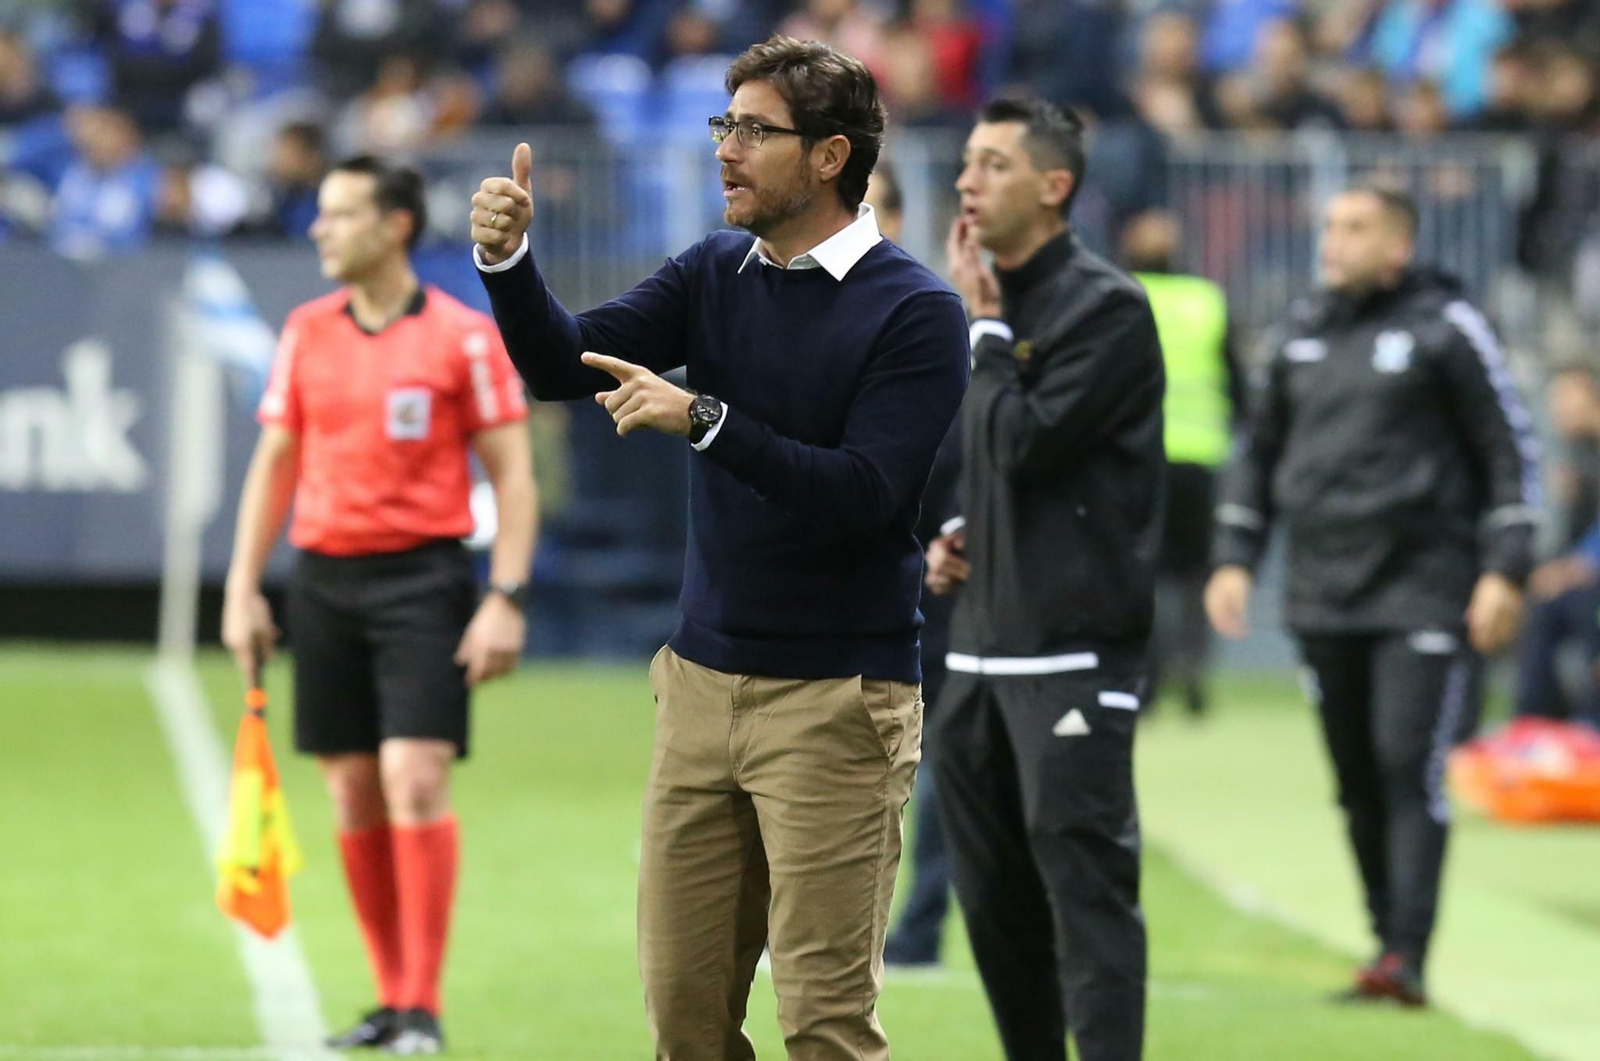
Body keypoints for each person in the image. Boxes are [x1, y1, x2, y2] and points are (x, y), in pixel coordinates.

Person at [470, 36, 968, 1061]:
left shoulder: (917, 310)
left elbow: (867, 495)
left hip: (838, 703)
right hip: (698, 689)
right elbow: (564, 366)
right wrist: (510, 264)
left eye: (753, 129)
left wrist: (704, 418)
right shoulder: (711, 269)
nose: (725, 149)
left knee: (825, 1026)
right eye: (722, 125)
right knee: (685, 1026)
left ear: (830, 158)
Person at [222, 155, 536, 1055]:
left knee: (415, 776)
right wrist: (244, 588)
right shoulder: (306, 331)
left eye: (340, 213)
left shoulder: (461, 336)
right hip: (324, 580)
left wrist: (505, 596)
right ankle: (390, 999)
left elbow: (512, 476)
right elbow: (274, 463)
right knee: (354, 792)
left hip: (424, 580)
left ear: (396, 225)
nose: (320, 230)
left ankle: (421, 1007)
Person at [1205, 184, 1538, 1006]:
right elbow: (1257, 453)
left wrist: (1507, 565)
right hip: (1323, 589)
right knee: (1355, 775)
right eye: (1329, 226)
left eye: (1355, 228)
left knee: (1404, 763)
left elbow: (1508, 449)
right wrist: (1235, 555)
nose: (1334, 241)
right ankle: (1384, 938)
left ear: (1397, 245)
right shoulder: (1298, 333)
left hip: (1425, 587)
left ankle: (1406, 956)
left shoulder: (1446, 326)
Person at [924, 96, 1164, 1061]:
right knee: (993, 908)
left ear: (1053, 187)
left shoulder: (1106, 307)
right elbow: (981, 464)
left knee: (1088, 900)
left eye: (992, 165)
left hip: (1071, 652)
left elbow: (1022, 442)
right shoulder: (982, 309)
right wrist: (956, 530)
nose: (966, 181)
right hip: (977, 653)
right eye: (968, 162)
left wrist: (983, 333)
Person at [869, 160, 959, 970]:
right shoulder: (783, 305)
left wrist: (953, 531)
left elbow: (962, 449)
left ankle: (922, 922)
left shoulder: (928, 313)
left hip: (938, 572)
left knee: (943, 753)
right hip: (846, 579)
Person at [1123, 209, 1244, 717]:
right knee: (1195, 573)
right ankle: (1193, 669)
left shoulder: (1120, 296)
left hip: (1136, 457)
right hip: (1200, 456)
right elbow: (1238, 382)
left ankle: (1147, 680)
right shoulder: (1208, 301)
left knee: (1142, 572)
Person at [1514, 364, 1600, 723]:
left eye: (1566, 396)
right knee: (1542, 606)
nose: (1557, 407)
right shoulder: (1578, 455)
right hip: (1582, 581)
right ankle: (1536, 727)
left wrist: (1577, 566)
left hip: (1591, 582)